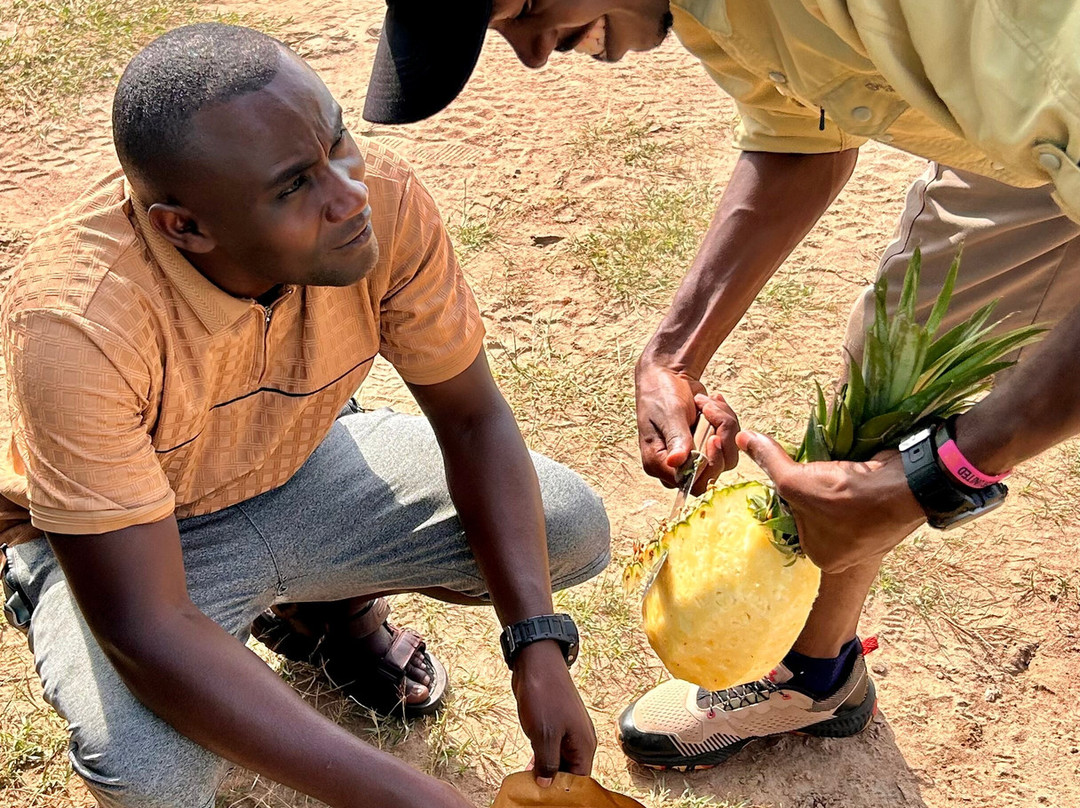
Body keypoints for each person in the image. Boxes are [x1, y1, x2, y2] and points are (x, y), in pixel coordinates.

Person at [360, 0, 1080, 770]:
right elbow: (802, 137)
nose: (534, 54)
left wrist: (942, 474)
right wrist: (671, 354)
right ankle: (818, 674)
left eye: (526, 7)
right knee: (896, 370)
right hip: (1028, 139)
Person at [0, 22, 612, 807]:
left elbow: (472, 420)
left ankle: (329, 615)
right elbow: (144, 628)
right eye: (294, 185)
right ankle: (47, 585)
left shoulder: (378, 202)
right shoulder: (77, 320)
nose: (348, 193)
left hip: (293, 467)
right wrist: (411, 798)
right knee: (150, 776)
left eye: (338, 141)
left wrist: (536, 640)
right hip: (129, 549)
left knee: (567, 526)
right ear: (184, 227)